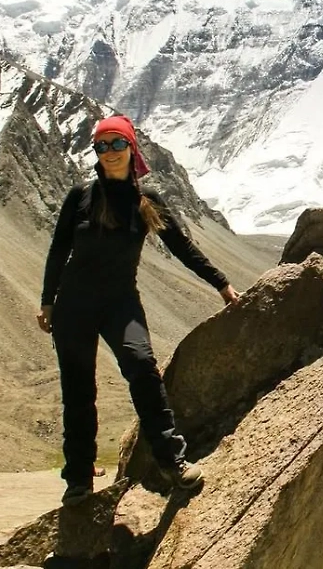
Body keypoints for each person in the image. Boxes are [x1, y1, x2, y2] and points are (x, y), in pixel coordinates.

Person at [36, 114, 240, 507]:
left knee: (142, 367)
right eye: (102, 146)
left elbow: (182, 247)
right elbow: (59, 249)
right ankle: (78, 480)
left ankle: (172, 462)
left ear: (131, 148)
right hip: (74, 305)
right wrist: (48, 300)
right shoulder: (81, 196)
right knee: (78, 391)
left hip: (120, 303)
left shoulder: (147, 201)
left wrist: (221, 283)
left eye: (117, 143)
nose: (110, 152)